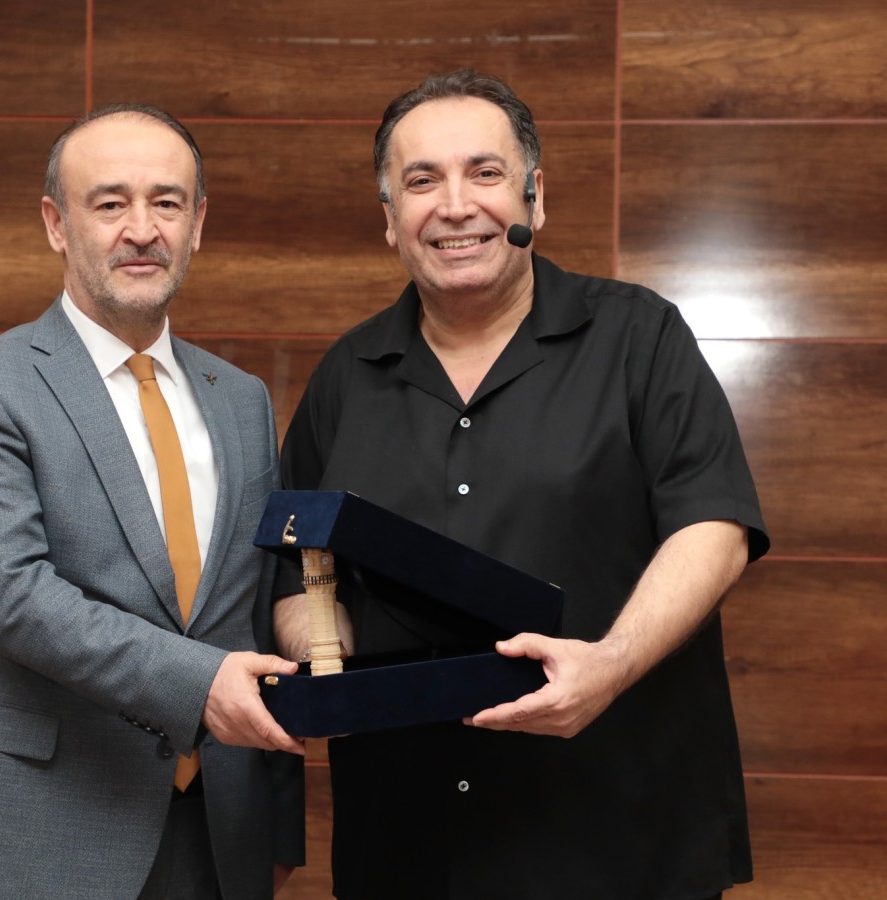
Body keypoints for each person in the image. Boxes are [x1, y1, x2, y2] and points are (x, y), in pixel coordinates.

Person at [274, 70, 770, 899]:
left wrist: (610, 664)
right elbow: (295, 567)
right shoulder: (345, 375)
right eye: (421, 181)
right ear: (390, 219)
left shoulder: (639, 336)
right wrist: (327, 667)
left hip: (620, 838)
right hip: (407, 848)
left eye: (485, 173)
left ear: (535, 199)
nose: (455, 205)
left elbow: (714, 525)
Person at [0, 104, 304, 900]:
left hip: (217, 840)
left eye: (167, 203)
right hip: (40, 833)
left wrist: (278, 822)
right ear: (57, 224)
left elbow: (255, 610)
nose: (142, 229)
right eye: (110, 203)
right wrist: (201, 684)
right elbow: (12, 596)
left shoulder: (242, 400)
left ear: (198, 224)